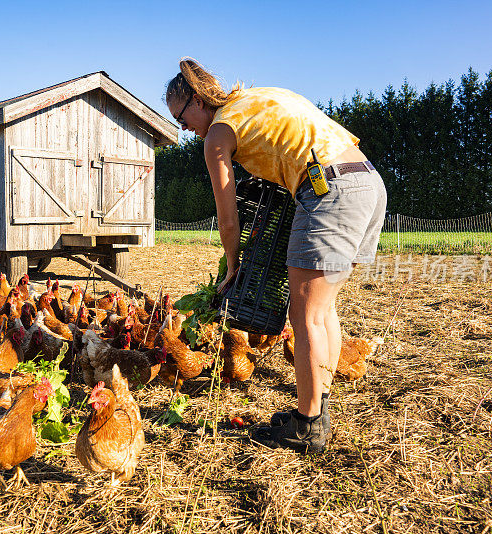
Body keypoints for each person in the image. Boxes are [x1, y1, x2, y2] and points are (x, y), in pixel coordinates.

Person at [164, 58, 386, 453]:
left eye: (181, 118)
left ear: (197, 100)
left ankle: (308, 426)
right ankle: (317, 406)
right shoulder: (259, 97)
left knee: (306, 317)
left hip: (328, 191)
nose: (183, 129)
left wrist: (235, 263)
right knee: (324, 311)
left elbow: (228, 218)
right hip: (366, 182)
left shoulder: (218, 133)